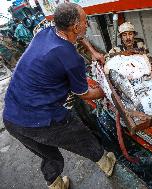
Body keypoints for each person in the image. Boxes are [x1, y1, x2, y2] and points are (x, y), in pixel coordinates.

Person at [3, 3, 116, 189]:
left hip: (12, 118)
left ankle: (56, 184)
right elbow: (84, 93)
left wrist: (93, 52)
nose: (87, 25)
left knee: (48, 154)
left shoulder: (45, 32)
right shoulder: (72, 59)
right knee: (81, 136)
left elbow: (77, 38)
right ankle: (107, 164)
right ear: (76, 27)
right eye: (85, 22)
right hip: (42, 119)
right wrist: (108, 90)